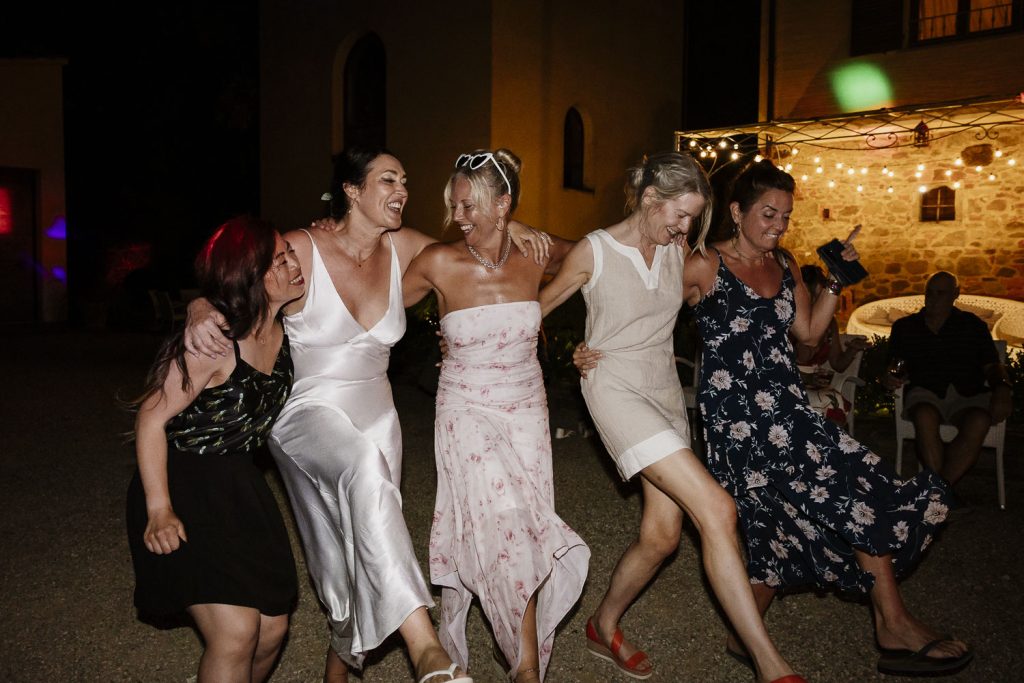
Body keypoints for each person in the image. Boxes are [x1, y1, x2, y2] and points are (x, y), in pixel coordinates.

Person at [183, 147, 548, 683]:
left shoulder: (407, 249)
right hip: (308, 413)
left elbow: (476, 246)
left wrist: (514, 225)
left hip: (380, 416)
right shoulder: (302, 247)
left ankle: (338, 671)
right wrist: (200, 306)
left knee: (354, 553)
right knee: (365, 478)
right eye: (387, 180)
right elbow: (235, 279)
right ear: (352, 191)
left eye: (404, 180)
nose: (402, 190)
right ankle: (425, 648)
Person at [680, 159, 972, 677]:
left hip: (791, 413)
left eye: (786, 217)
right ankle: (893, 622)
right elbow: (649, 314)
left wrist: (836, 278)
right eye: (768, 213)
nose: (778, 225)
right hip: (741, 427)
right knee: (838, 498)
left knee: (815, 506)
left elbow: (811, 334)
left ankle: (739, 633)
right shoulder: (703, 264)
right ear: (736, 210)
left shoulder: (786, 263)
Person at [542, 151, 802, 683]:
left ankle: (603, 625)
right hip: (614, 388)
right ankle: (771, 666)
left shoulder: (676, 250)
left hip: (663, 390)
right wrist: (567, 354)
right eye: (679, 215)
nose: (685, 228)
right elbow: (533, 311)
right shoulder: (594, 250)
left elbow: (721, 297)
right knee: (717, 507)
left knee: (662, 537)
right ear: (649, 199)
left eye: (692, 219)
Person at [402, 149, 589, 683]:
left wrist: (608, 345)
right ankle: (526, 667)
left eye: (470, 205)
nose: (458, 216)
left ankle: (520, 656)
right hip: (464, 407)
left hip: (526, 406)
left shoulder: (536, 251)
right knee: (503, 517)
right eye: (454, 204)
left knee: (522, 527)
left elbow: (602, 259)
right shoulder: (438, 262)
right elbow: (378, 305)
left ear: (503, 203)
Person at [126, 216, 304, 683]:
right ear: (251, 275)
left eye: (291, 253)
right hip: (183, 483)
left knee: (273, 630)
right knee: (236, 633)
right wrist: (159, 509)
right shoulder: (215, 341)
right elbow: (150, 417)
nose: (294, 263)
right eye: (280, 259)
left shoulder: (289, 329)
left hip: (239, 485)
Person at [885, 270, 1012, 487]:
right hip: (926, 391)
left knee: (979, 419)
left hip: (967, 392)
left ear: (956, 294)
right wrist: (890, 377)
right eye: (929, 292)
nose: (933, 298)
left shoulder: (972, 325)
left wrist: (1002, 389)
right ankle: (943, 493)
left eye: (941, 293)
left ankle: (937, 491)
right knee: (924, 414)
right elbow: (896, 365)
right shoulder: (906, 327)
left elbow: (992, 365)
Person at [793, 264, 869, 427]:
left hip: (816, 386)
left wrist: (853, 349)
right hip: (792, 384)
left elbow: (838, 364)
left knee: (832, 399)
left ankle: (829, 447)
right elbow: (787, 365)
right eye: (819, 292)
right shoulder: (792, 321)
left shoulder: (829, 323)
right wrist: (808, 377)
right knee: (830, 400)